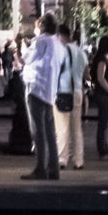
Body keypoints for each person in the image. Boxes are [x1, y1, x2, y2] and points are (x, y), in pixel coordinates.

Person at [21, 13, 65, 180]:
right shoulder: (58, 43)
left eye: (37, 25)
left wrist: (23, 46)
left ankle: (41, 168)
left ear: (42, 26)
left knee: (38, 132)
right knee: (49, 132)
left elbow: (27, 58)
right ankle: (53, 169)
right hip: (49, 90)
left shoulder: (40, 41)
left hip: (36, 88)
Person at [55, 23, 88, 170]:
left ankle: (62, 159)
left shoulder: (60, 51)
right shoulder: (81, 52)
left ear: (61, 35)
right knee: (77, 128)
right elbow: (87, 73)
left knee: (62, 128)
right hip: (78, 92)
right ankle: (78, 160)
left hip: (63, 92)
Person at [91, 35, 108, 160]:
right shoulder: (101, 60)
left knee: (105, 123)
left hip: (105, 94)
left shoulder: (105, 59)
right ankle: (103, 151)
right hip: (103, 94)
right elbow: (100, 78)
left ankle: (105, 149)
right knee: (103, 123)